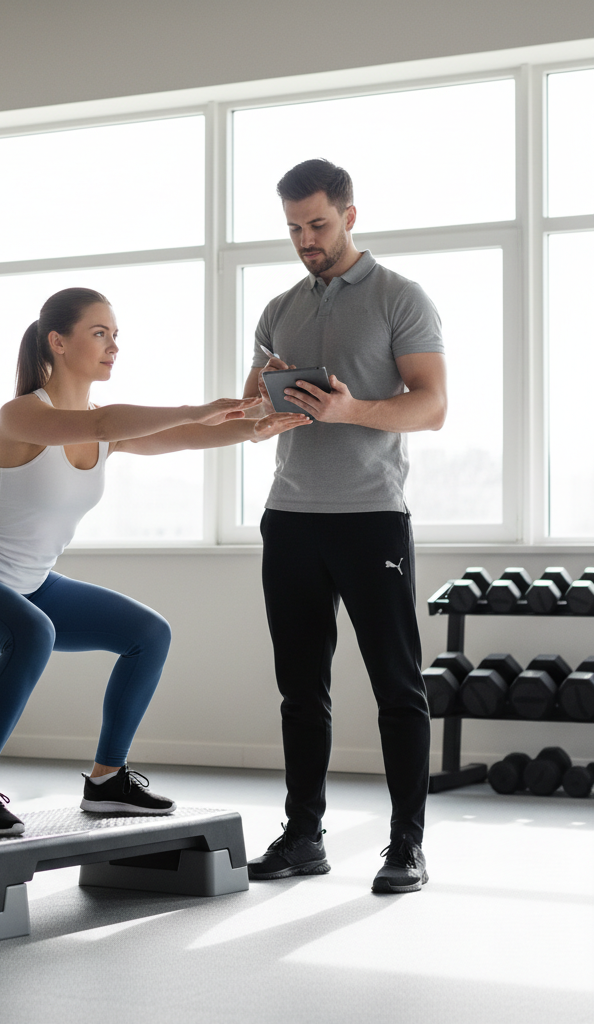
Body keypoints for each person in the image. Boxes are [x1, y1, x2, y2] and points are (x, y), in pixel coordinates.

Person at [0, 287, 309, 836]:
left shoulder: (104, 427)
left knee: (148, 632)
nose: (113, 346)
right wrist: (201, 406)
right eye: (100, 333)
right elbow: (105, 427)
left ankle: (106, 779)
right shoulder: (22, 416)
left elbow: (180, 438)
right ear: (58, 341)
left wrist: (252, 426)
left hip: (30, 586)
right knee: (34, 632)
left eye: (116, 335)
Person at [242, 159, 447, 893]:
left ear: (350, 217)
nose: (306, 240)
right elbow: (253, 416)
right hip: (290, 519)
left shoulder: (401, 299)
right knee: (301, 689)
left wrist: (348, 409)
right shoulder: (277, 308)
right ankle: (304, 837)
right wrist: (262, 413)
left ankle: (406, 847)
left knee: (398, 687)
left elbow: (430, 406)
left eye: (318, 225)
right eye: (294, 228)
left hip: (371, 519)